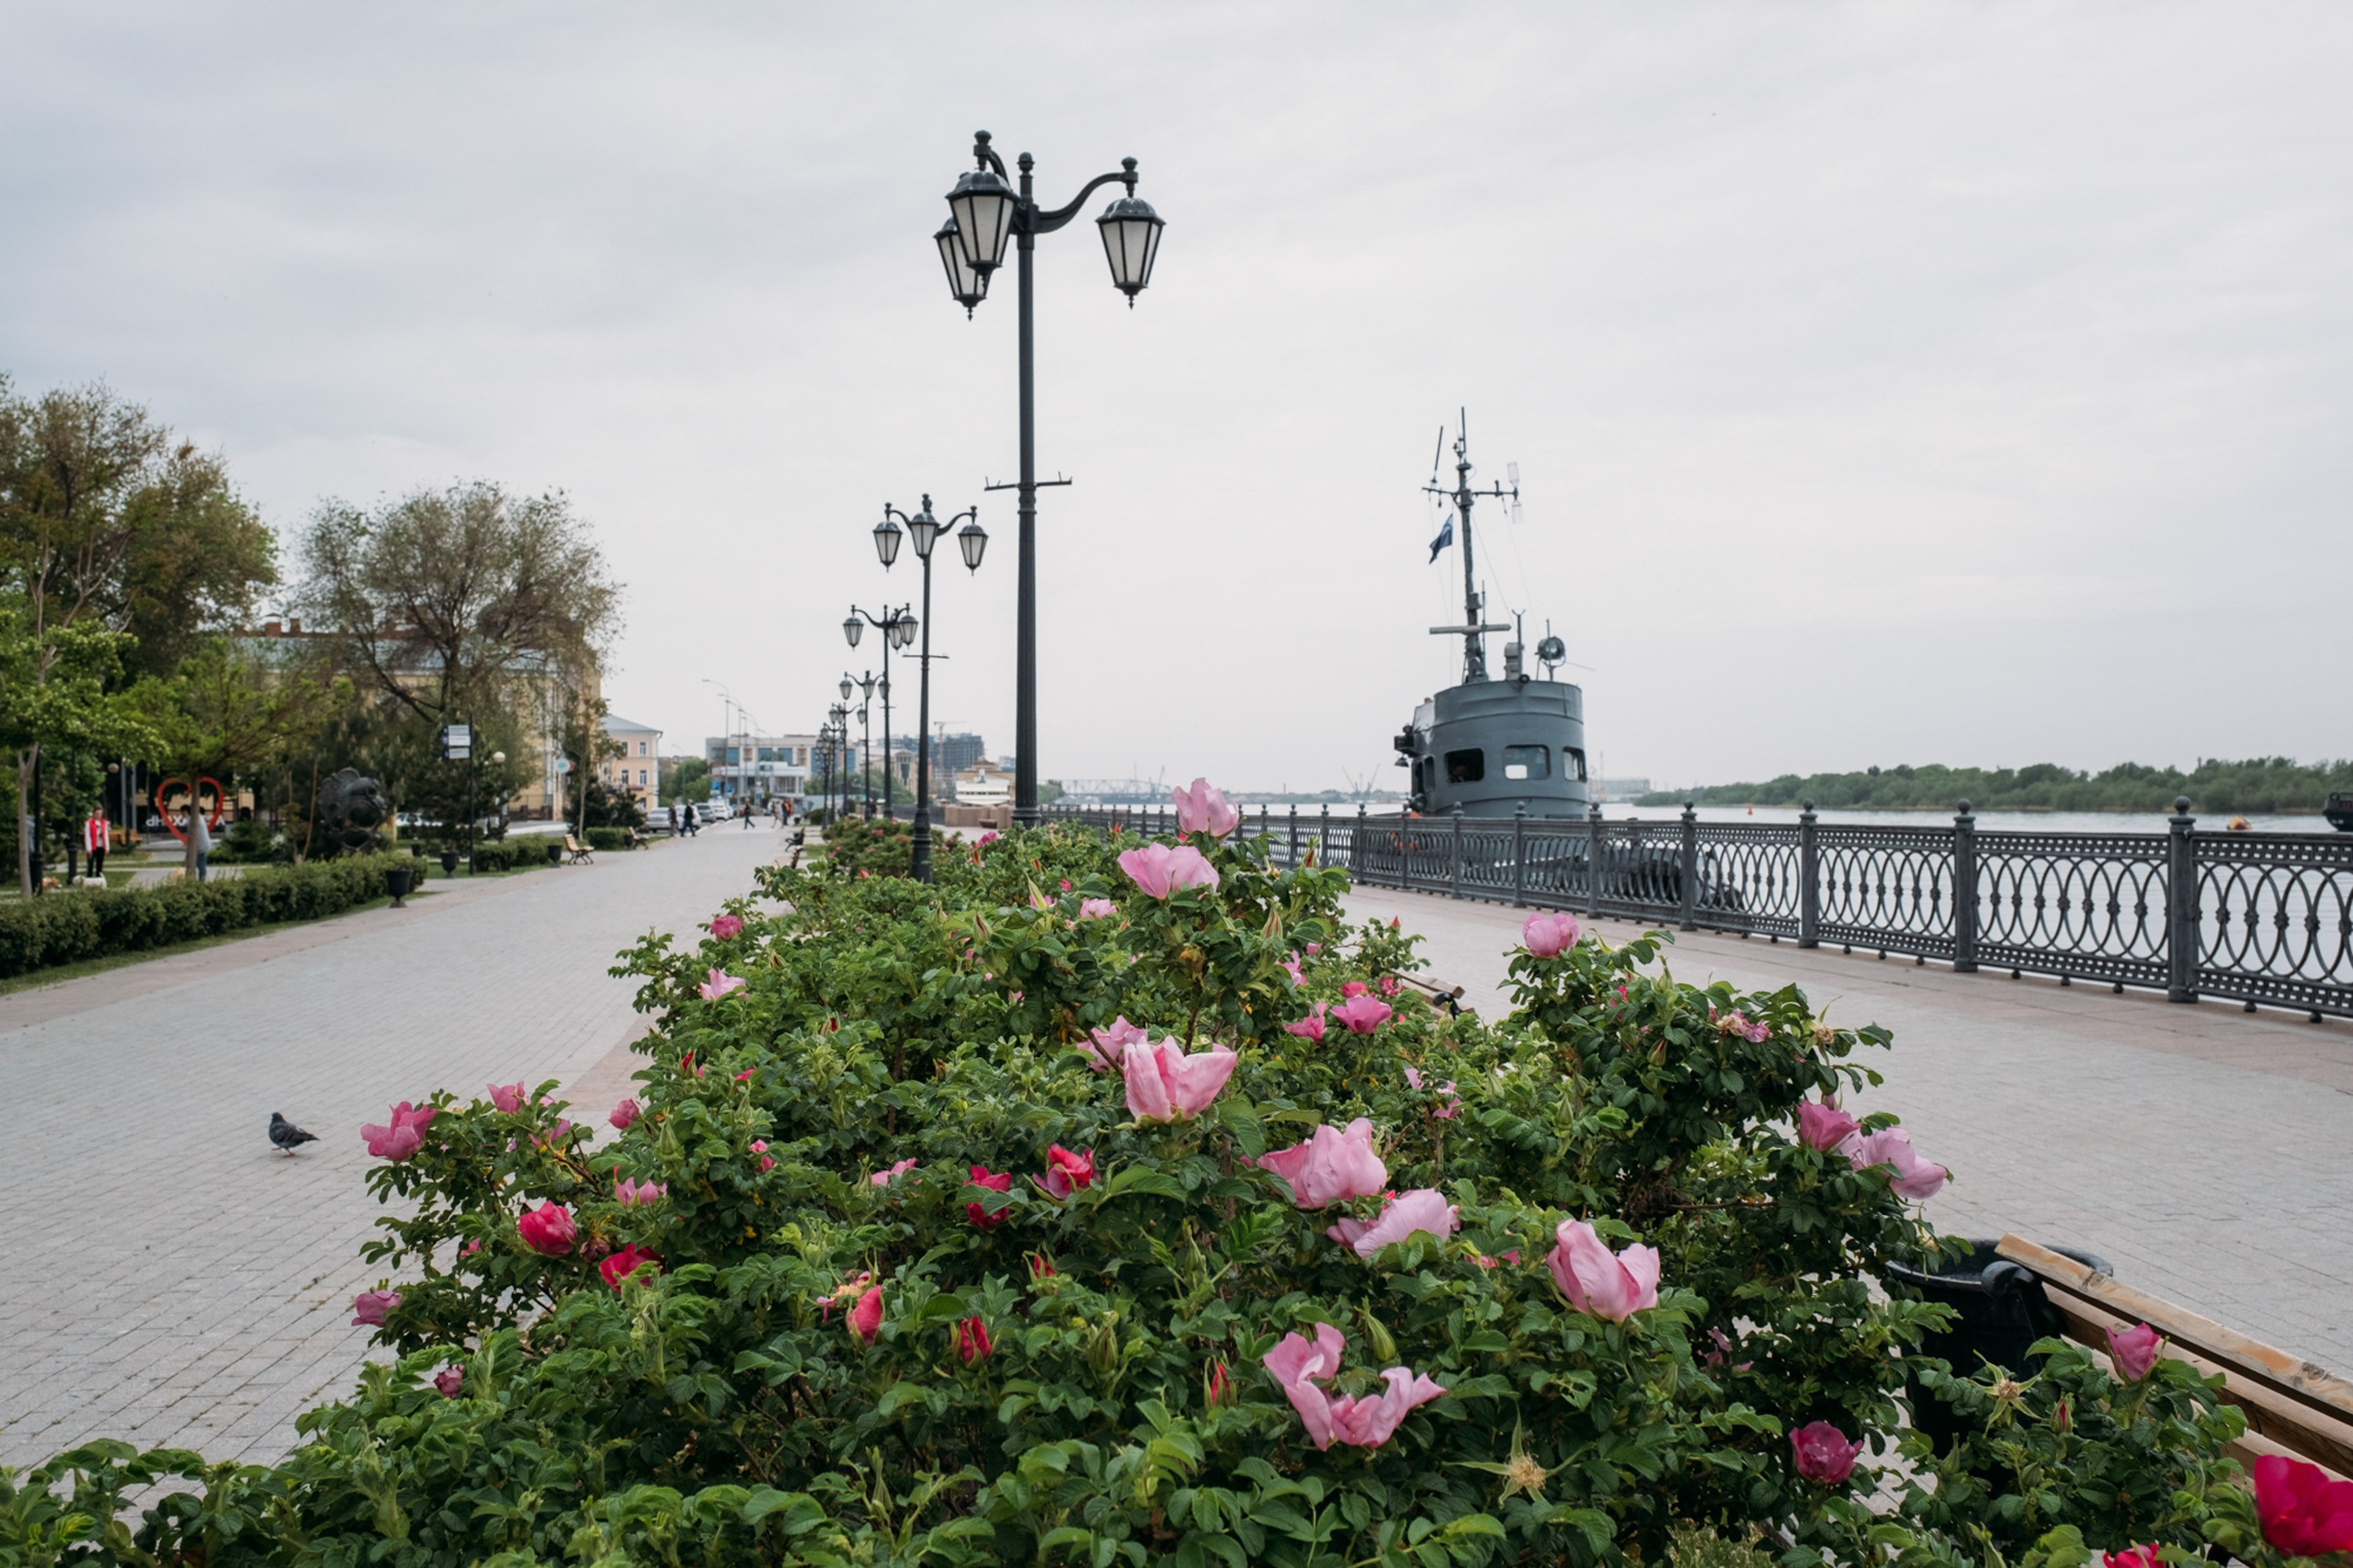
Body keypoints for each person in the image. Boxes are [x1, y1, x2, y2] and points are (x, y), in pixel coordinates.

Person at [185, 801, 212, 881]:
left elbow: (192, 832)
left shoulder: (193, 819)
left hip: (200, 845)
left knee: (201, 864)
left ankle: (201, 881)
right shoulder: (199, 817)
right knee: (200, 863)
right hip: (201, 844)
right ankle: (200, 880)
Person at [84, 808, 108, 881]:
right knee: (90, 864)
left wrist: (107, 847)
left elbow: (106, 835)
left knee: (100, 864)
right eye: (97, 813)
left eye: (100, 814)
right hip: (92, 846)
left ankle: (99, 879)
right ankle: (89, 879)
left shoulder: (104, 822)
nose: (98, 815)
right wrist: (89, 848)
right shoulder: (89, 823)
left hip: (101, 845)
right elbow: (87, 836)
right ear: (94, 814)